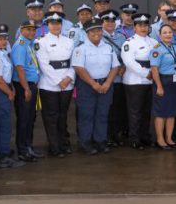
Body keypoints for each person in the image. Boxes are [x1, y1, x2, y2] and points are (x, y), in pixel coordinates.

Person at [73, 18, 119, 154]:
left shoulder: (108, 47)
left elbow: (115, 66)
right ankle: (86, 142)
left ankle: (100, 141)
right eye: (93, 31)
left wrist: (108, 83)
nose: (96, 33)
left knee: (102, 114)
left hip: (105, 84)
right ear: (87, 33)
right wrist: (93, 84)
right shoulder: (80, 48)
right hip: (87, 86)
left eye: (99, 30)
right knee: (86, 115)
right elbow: (79, 68)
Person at [0, 24, 24, 168]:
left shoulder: (2, 52)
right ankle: (4, 156)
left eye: (5, 39)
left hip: (2, 88)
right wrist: (9, 92)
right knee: (5, 124)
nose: (3, 41)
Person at [35, 13, 75, 158]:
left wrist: (69, 77)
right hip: (49, 85)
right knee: (51, 117)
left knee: (63, 116)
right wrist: (59, 81)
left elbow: (73, 62)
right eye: (52, 23)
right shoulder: (41, 42)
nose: (56, 25)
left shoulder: (69, 41)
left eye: (58, 23)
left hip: (67, 84)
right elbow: (44, 64)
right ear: (47, 25)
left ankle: (64, 144)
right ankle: (54, 147)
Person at [122, 12, 156, 150]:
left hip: (150, 81)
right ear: (134, 27)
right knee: (135, 112)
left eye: (145, 25)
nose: (143, 28)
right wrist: (146, 73)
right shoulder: (129, 43)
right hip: (135, 82)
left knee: (147, 111)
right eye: (140, 25)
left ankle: (145, 136)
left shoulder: (154, 42)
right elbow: (129, 62)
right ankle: (134, 139)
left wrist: (153, 74)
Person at [10, 21, 43, 162]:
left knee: (30, 118)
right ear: (21, 30)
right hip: (24, 86)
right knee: (24, 119)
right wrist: (26, 88)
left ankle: (28, 146)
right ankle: (22, 150)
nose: (31, 32)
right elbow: (19, 68)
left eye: (33, 30)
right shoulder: (20, 45)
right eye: (28, 29)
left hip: (31, 85)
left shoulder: (29, 44)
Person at [99, 10, 128, 147]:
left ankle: (116, 134)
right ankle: (106, 136)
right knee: (106, 109)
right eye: (107, 21)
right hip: (106, 79)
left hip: (119, 79)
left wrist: (124, 67)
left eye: (112, 21)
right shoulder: (98, 37)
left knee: (117, 108)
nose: (110, 23)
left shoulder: (121, 37)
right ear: (102, 22)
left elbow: (126, 55)